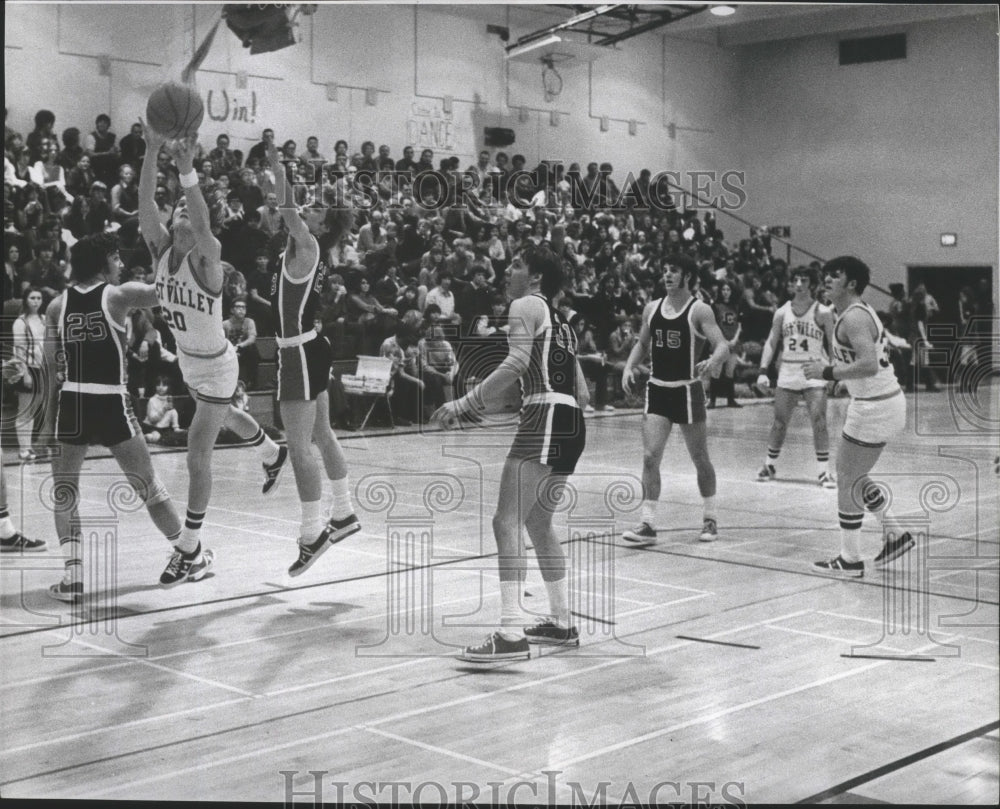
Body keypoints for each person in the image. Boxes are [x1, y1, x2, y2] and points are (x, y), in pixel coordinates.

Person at [138, 125, 288, 571]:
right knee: (222, 416)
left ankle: (189, 548)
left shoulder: (210, 255)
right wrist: (150, 150)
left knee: (197, 450)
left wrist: (187, 172)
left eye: (188, 207)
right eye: (178, 207)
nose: (180, 210)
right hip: (187, 359)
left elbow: (202, 220)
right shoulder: (160, 249)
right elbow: (146, 205)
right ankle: (272, 453)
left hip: (219, 364)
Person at [432, 243, 589, 663]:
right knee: (538, 523)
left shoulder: (525, 304)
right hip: (572, 423)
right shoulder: (564, 323)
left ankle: (510, 632)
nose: (507, 270)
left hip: (545, 416)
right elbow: (585, 393)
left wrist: (464, 404)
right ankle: (561, 623)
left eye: (516, 264)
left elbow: (517, 363)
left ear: (535, 277)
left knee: (506, 521)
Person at [40, 233, 209, 600]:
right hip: (110, 401)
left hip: (72, 402)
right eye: (116, 259)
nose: (119, 266)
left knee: (65, 493)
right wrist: (179, 251)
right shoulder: (119, 295)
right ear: (104, 261)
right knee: (149, 487)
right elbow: (166, 290)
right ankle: (190, 554)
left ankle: (73, 579)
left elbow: (50, 368)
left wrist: (46, 422)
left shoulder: (57, 305)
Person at [266, 139, 360, 576]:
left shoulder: (307, 244)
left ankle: (312, 532)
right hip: (312, 347)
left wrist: (275, 165)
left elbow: (285, 207)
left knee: (299, 446)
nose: (308, 208)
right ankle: (342, 512)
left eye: (318, 207)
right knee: (322, 433)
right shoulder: (304, 248)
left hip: (298, 352)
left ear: (324, 225)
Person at [804, 256, 913, 575]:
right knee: (854, 474)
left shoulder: (853, 318)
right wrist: (842, 376)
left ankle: (850, 559)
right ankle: (895, 533)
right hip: (878, 401)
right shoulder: (852, 314)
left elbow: (866, 363)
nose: (825, 281)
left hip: (875, 405)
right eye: (825, 276)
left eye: (833, 276)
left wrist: (829, 372)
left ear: (851, 283)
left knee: (847, 479)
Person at [621, 255, 729, 545]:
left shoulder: (699, 310)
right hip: (658, 390)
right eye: (665, 270)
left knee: (700, 459)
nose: (667, 275)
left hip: (687, 391)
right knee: (649, 456)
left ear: (687, 276)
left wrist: (712, 360)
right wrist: (629, 366)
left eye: (674, 271)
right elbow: (643, 343)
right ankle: (648, 524)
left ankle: (710, 517)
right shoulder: (652, 308)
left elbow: (722, 345)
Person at [754, 267, 837, 488]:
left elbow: (833, 343)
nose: (799, 284)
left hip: (814, 370)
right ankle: (769, 464)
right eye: (795, 279)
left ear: (812, 284)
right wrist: (763, 370)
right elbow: (771, 342)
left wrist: (835, 373)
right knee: (779, 423)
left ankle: (824, 471)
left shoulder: (823, 312)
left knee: (819, 421)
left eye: (804, 280)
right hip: (789, 370)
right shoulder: (782, 312)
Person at [11, 287, 46, 460]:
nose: (36, 301)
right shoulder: (20, 322)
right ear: (25, 300)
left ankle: (29, 446)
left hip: (41, 368)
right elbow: (19, 350)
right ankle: (23, 449)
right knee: (24, 409)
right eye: (32, 298)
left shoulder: (44, 320)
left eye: (39, 298)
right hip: (27, 367)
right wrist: (24, 373)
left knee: (33, 410)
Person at [708, 280, 742, 408]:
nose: (726, 292)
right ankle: (712, 401)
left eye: (728, 290)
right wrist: (722, 340)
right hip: (719, 343)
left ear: (732, 292)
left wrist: (735, 339)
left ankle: (731, 400)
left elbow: (740, 325)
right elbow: (712, 325)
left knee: (730, 371)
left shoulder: (736, 306)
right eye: (723, 290)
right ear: (720, 291)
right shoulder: (715, 306)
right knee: (716, 370)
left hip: (733, 342)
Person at [142, 374, 181, 443]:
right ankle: (146, 437)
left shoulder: (169, 399)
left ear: (168, 387)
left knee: (172, 437)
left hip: (164, 429)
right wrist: (164, 409)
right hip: (152, 427)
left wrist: (176, 427)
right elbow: (152, 420)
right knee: (155, 437)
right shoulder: (152, 400)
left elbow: (173, 413)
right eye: (158, 385)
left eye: (164, 385)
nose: (160, 387)